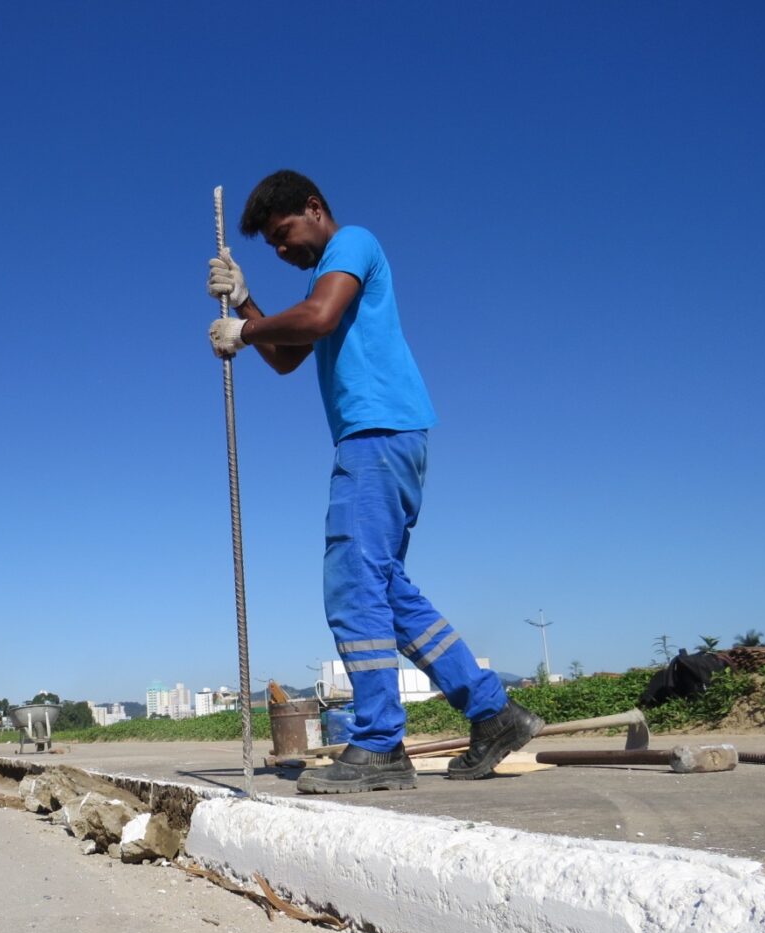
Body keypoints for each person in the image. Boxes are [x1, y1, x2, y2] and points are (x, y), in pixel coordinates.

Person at [206, 170, 543, 794]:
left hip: (377, 438)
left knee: (353, 581)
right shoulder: (319, 280)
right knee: (386, 590)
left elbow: (319, 318)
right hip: (389, 440)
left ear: (314, 208)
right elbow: (286, 357)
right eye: (271, 248)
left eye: (284, 235)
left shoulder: (352, 243)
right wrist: (249, 303)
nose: (282, 250)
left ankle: (381, 744)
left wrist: (244, 328)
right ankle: (496, 714)